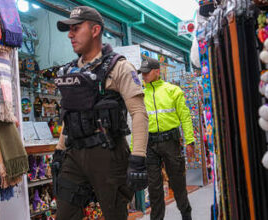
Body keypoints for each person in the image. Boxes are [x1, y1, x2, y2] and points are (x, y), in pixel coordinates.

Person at [51, 6, 149, 220]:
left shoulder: (120, 67)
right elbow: (71, 113)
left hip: (109, 153)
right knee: (65, 215)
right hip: (74, 153)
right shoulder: (70, 71)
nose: (70, 35)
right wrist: (59, 150)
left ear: (95, 30)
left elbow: (139, 113)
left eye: (76, 29)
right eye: (69, 30)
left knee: (114, 214)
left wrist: (138, 157)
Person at [138, 57, 195, 220]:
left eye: (147, 73)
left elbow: (185, 117)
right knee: (154, 189)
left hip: (170, 142)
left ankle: (186, 215)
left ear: (157, 72)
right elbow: (139, 123)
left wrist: (189, 141)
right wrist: (136, 149)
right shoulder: (141, 94)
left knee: (177, 184)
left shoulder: (173, 90)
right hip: (150, 145)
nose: (144, 76)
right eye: (142, 73)